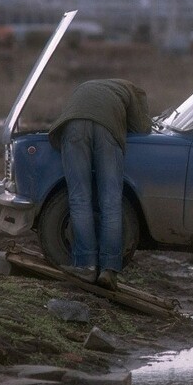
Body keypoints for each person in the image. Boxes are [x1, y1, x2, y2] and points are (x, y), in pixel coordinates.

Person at [48, 79, 151, 290]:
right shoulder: (132, 91)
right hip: (107, 130)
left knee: (79, 199)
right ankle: (109, 270)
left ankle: (86, 266)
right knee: (111, 201)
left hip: (73, 126)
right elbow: (141, 127)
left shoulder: (86, 85)